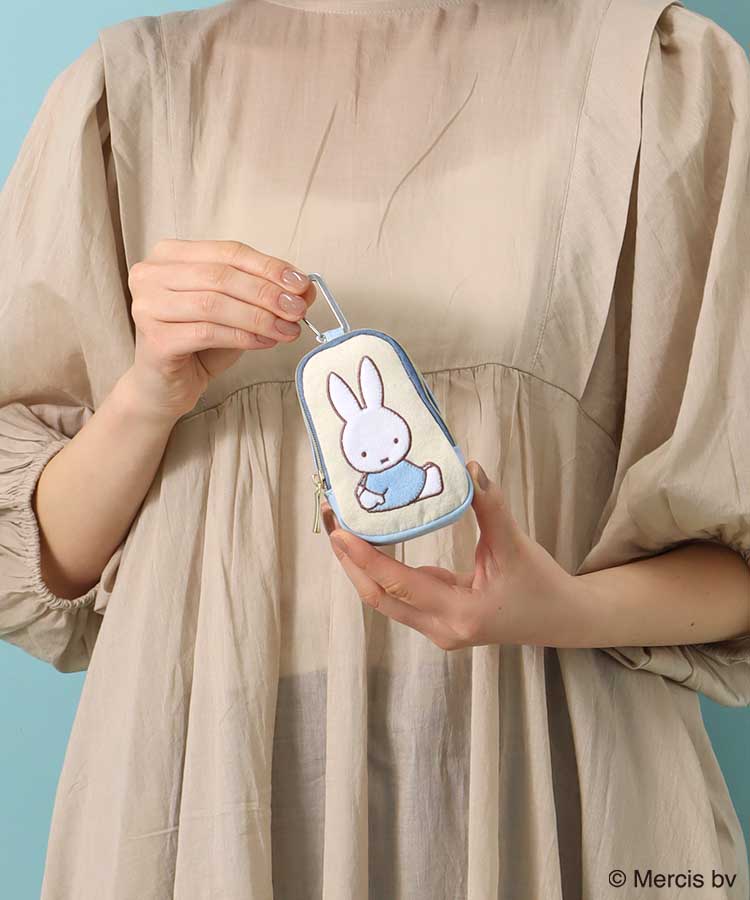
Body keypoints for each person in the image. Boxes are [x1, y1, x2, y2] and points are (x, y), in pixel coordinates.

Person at [1, 0, 749, 896]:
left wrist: (564, 610)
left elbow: (733, 556)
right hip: (207, 786)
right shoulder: (128, 94)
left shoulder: (656, 75)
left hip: (551, 776)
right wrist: (146, 397)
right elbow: (37, 568)